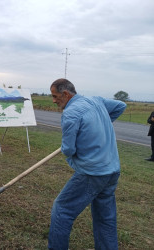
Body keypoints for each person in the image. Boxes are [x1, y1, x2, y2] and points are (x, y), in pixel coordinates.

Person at [48, 78, 126, 249]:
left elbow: (68, 150)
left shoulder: (70, 113)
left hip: (93, 173)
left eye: (55, 96)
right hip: (112, 171)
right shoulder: (96, 100)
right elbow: (121, 105)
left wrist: (92, 129)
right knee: (105, 217)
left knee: (62, 209)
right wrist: (96, 126)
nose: (53, 100)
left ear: (66, 94)